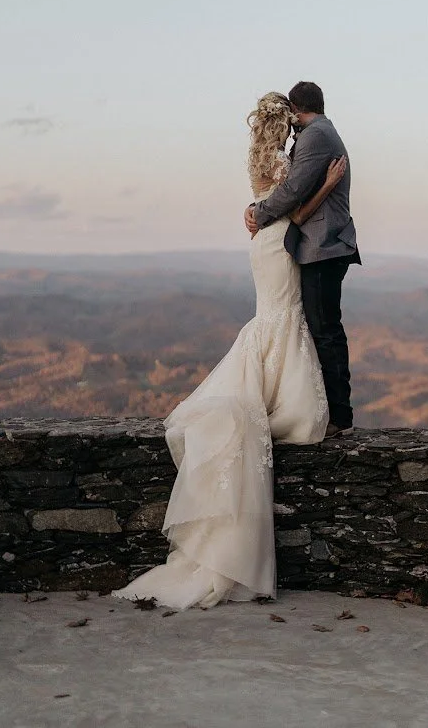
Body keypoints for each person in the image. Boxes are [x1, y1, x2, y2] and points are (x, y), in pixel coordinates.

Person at [111, 92, 345, 610]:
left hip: (265, 244)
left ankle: (266, 385)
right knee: (285, 318)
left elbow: (266, 206)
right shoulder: (283, 162)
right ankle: (277, 396)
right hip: (279, 239)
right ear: (283, 124)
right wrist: (327, 183)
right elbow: (290, 208)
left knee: (275, 319)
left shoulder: (258, 158)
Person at [245, 81, 361, 437]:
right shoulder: (318, 134)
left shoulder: (315, 136)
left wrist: (257, 211)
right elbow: (295, 193)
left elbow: (293, 191)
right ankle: (329, 411)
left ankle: (339, 416)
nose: (292, 128)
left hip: (322, 246)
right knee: (317, 327)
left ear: (296, 110)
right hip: (312, 244)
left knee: (323, 329)